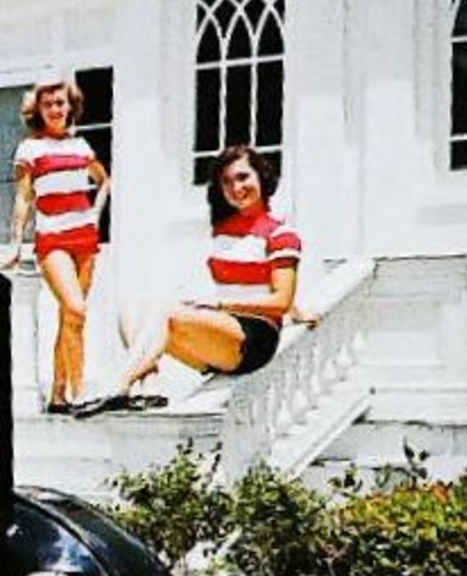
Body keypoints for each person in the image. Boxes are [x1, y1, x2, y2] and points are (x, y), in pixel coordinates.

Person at [74, 144, 316, 418]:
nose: (235, 187)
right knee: (132, 306)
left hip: (253, 338)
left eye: (242, 177)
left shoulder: (281, 234)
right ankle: (150, 388)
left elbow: (279, 300)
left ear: (262, 177)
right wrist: (297, 309)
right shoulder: (224, 230)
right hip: (221, 330)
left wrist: (219, 303)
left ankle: (116, 386)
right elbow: (257, 282)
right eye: (226, 181)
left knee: (165, 310)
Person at [0, 77, 111, 414]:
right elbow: (23, 199)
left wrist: (95, 215)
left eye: (60, 103)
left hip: (85, 238)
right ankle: (80, 391)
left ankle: (59, 395)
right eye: (48, 105)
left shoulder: (81, 147)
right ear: (38, 111)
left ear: (70, 106)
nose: (55, 110)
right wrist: (16, 243)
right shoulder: (30, 149)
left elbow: (103, 181)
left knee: (71, 318)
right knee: (76, 308)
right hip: (53, 241)